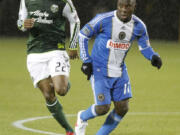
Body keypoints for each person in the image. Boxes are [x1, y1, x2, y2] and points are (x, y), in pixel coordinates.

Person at [75, 0, 162, 135]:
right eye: (120, 5)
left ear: (134, 7)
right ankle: (82, 117)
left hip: (120, 70)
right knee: (103, 108)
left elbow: (145, 47)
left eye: (127, 6)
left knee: (122, 108)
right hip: (100, 69)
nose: (123, 9)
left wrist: (153, 56)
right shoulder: (103, 20)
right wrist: (86, 61)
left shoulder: (139, 26)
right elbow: (83, 35)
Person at [17, 0, 80, 134]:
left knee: (61, 90)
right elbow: (20, 23)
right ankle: (69, 130)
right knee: (48, 95)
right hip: (34, 53)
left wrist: (73, 45)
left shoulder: (64, 2)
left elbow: (75, 20)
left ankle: (62, 80)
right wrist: (22, 24)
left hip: (56, 50)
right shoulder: (26, 1)